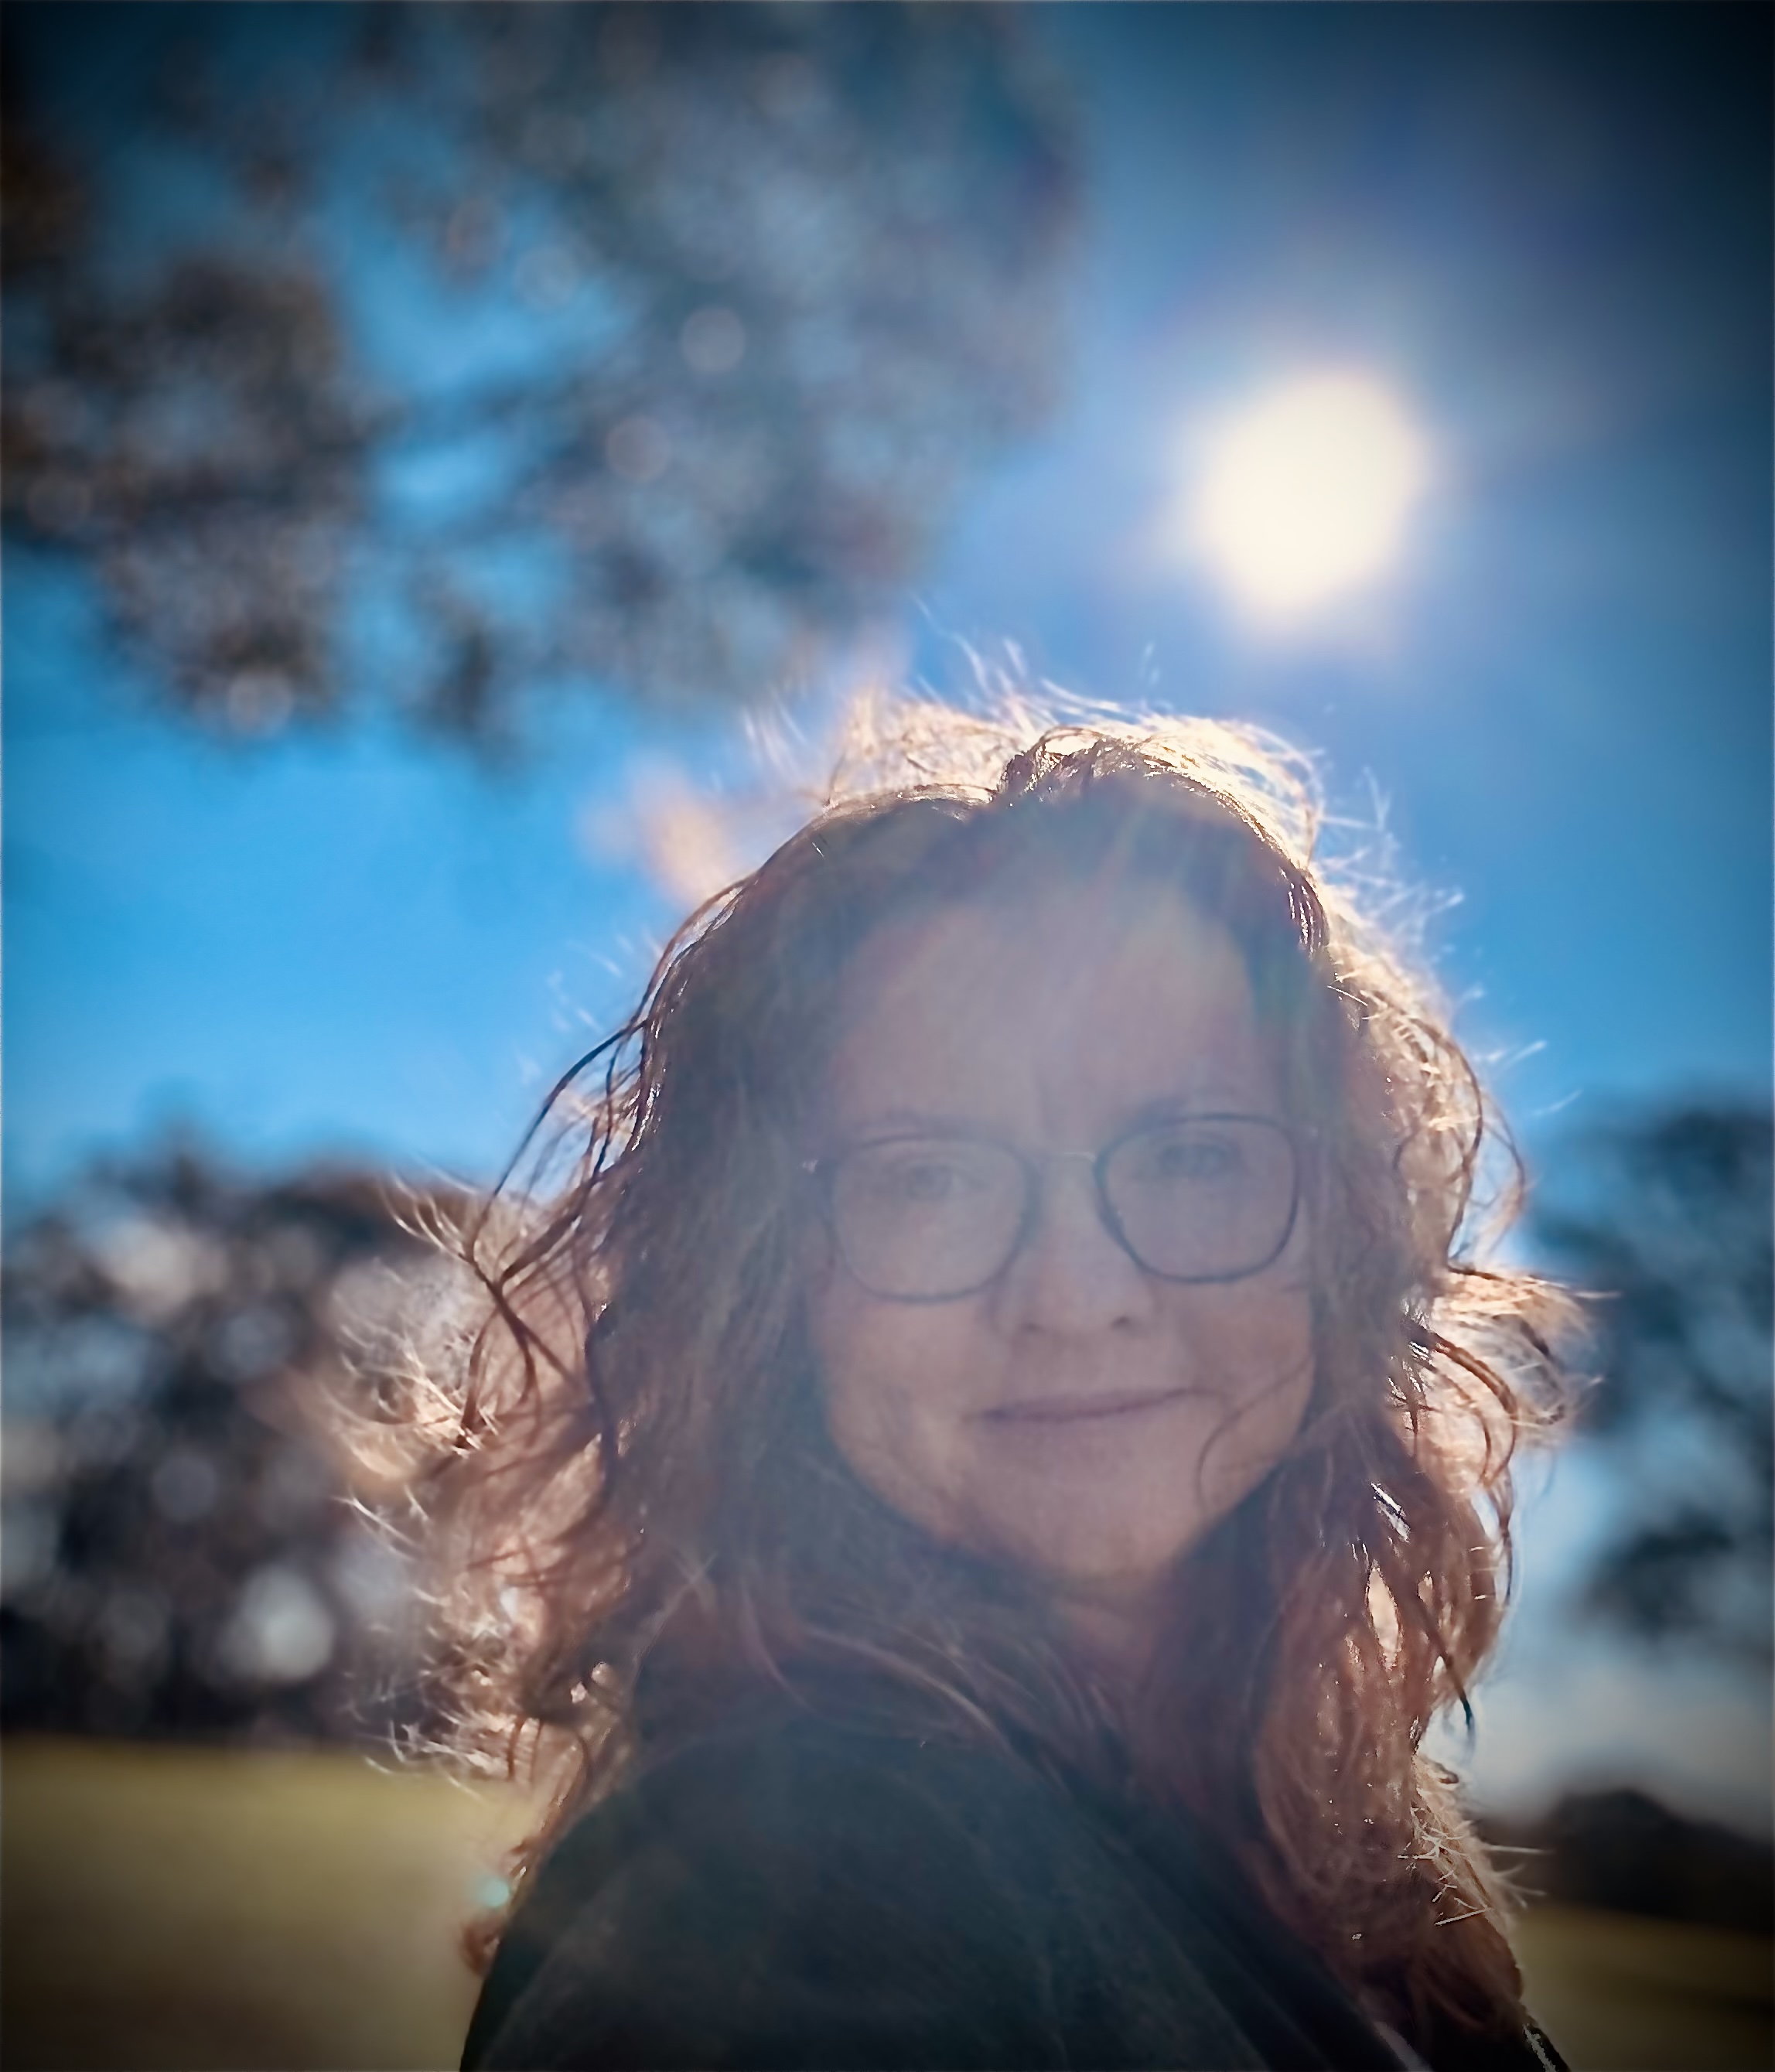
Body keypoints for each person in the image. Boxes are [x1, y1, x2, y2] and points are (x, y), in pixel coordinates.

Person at [409, 696, 1574, 2070]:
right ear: (771, 1294)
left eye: (1194, 1156)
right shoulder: (807, 1906)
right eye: (929, 1180)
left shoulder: (1303, 1837)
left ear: (1345, 1240)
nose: (1076, 1298)